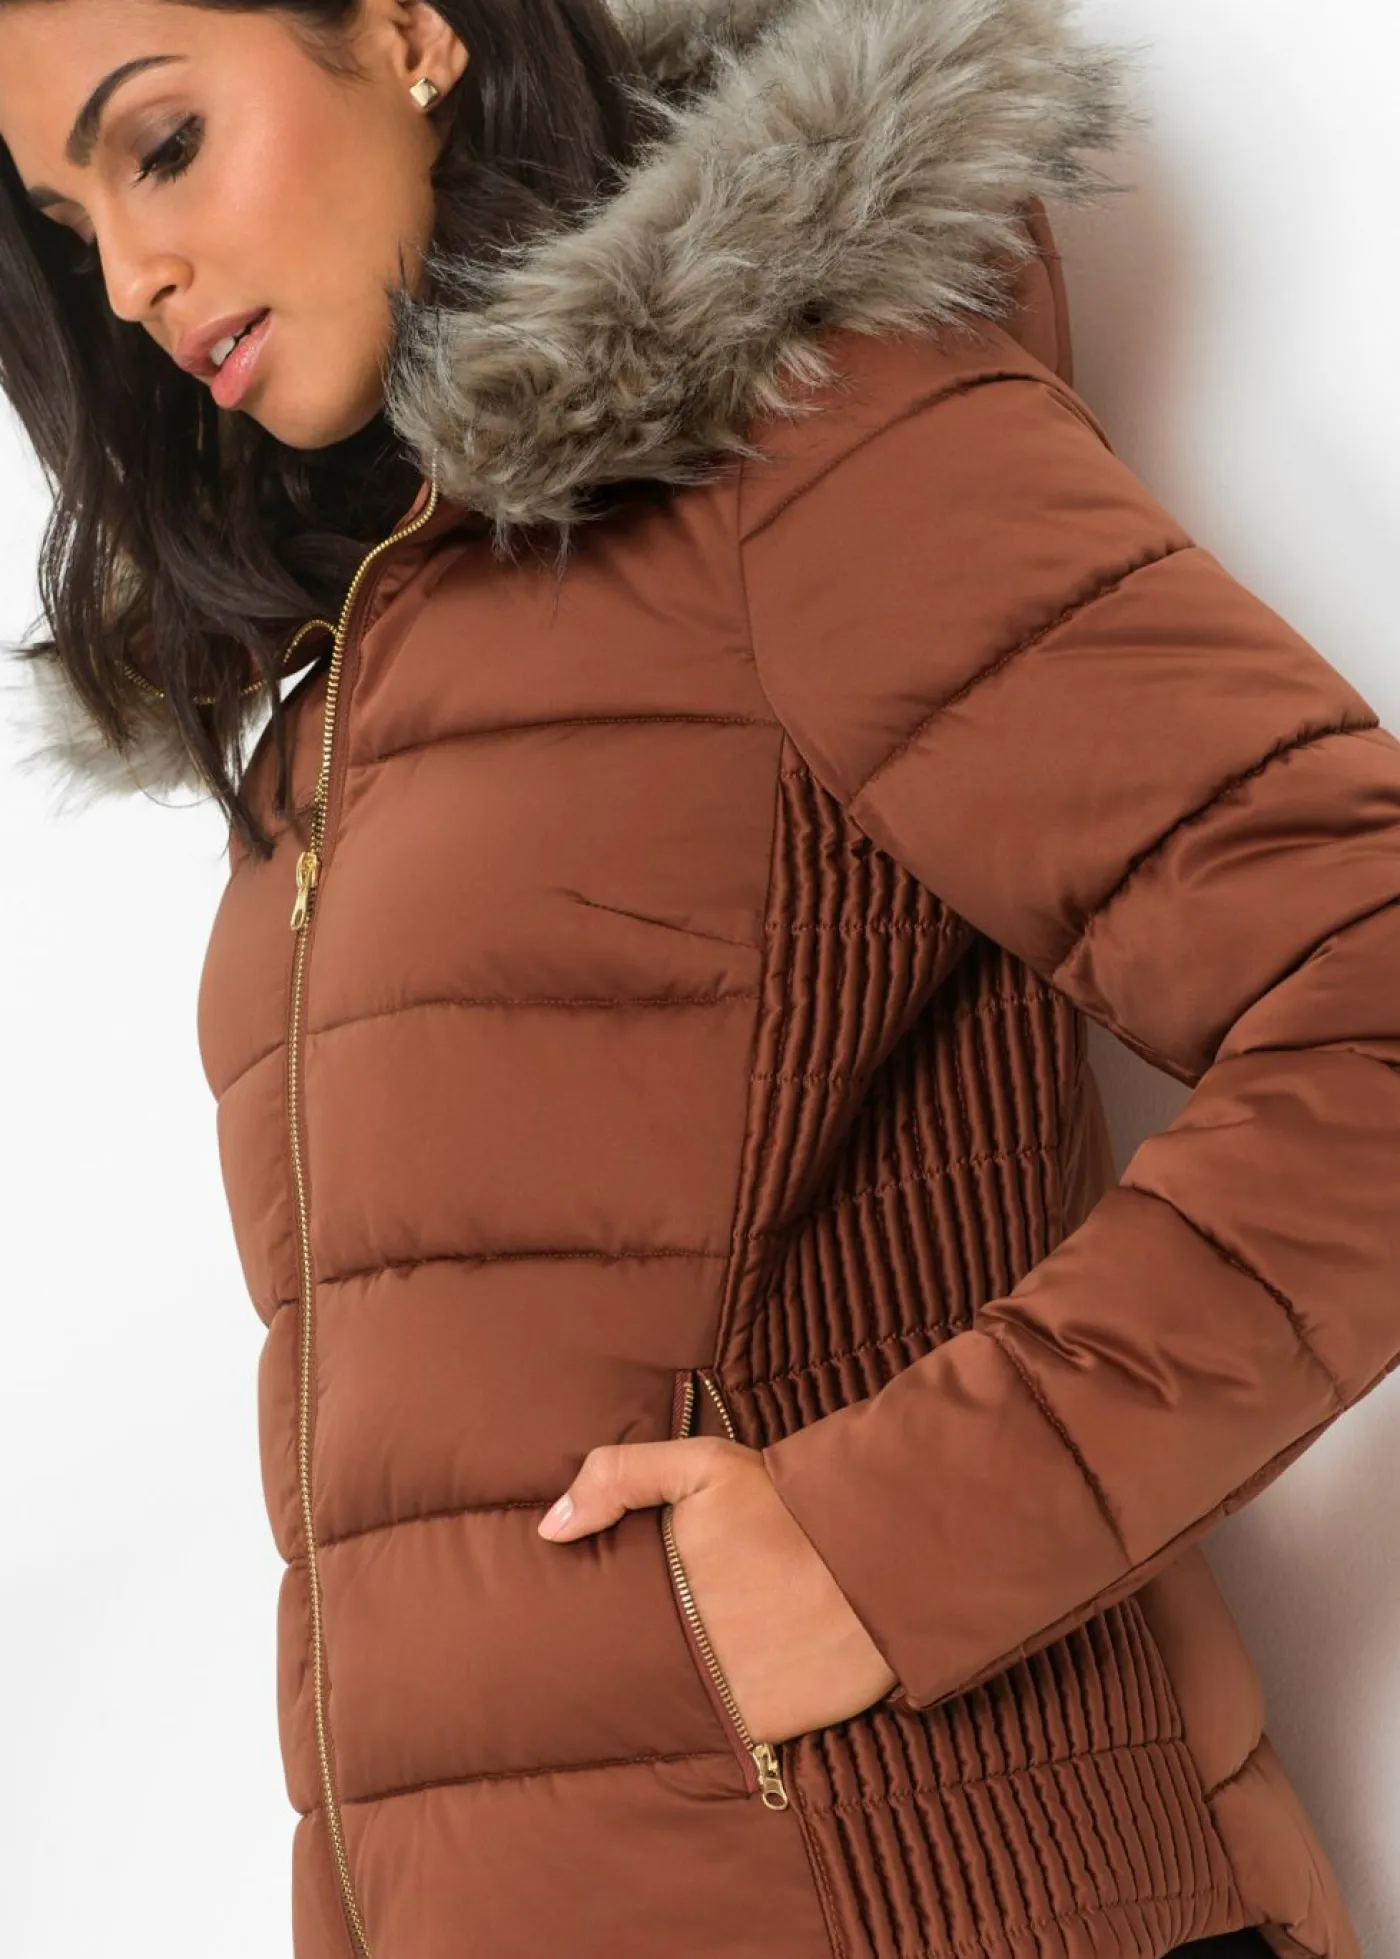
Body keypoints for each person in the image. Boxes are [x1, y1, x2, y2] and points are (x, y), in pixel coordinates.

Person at [2, 0, 1396, 1954]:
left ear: (405, 34)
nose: (135, 276)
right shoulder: (349, 681)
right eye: (70, 229)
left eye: (160, 147)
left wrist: (884, 1543)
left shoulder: (809, 447)